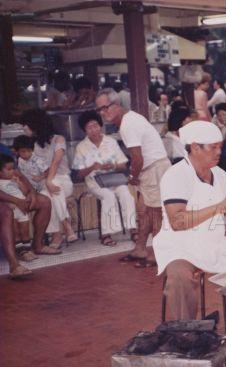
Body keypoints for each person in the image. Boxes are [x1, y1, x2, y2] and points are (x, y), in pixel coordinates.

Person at [153, 121, 226, 320]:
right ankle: (187, 331)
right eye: (213, 147)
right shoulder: (176, 175)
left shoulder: (220, 175)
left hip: (215, 244)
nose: (219, 151)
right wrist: (220, 206)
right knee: (179, 277)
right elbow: (177, 222)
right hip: (181, 247)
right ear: (195, 147)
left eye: (220, 146)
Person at [95, 88, 171, 268]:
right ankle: (140, 249)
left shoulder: (128, 124)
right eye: (99, 110)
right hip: (151, 169)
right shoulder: (129, 119)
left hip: (154, 169)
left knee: (154, 215)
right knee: (143, 212)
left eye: (105, 108)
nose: (102, 113)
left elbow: (137, 158)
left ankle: (160, 255)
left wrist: (132, 176)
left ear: (116, 105)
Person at [73, 110, 137, 247]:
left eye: (95, 125)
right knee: (108, 196)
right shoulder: (81, 147)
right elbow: (78, 175)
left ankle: (133, 229)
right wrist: (92, 168)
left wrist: (112, 165)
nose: (93, 129)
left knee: (126, 194)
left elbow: (124, 164)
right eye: (89, 127)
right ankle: (106, 234)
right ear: (85, 130)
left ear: (100, 126)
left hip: (114, 178)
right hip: (94, 181)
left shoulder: (111, 141)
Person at [21, 109, 77, 248]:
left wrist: (48, 180)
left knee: (52, 187)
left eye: (26, 124)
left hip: (63, 179)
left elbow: (55, 162)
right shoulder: (34, 145)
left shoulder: (59, 139)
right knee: (47, 197)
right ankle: (64, 227)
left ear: (35, 125)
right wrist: (45, 180)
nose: (24, 128)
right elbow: (40, 169)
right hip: (46, 182)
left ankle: (58, 234)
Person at [0, 154, 59, 277]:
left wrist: (31, 192)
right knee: (7, 212)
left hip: (17, 198)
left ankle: (38, 245)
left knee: (45, 201)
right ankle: (15, 262)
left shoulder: (6, 161)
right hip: (7, 202)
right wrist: (17, 201)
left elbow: (20, 176)